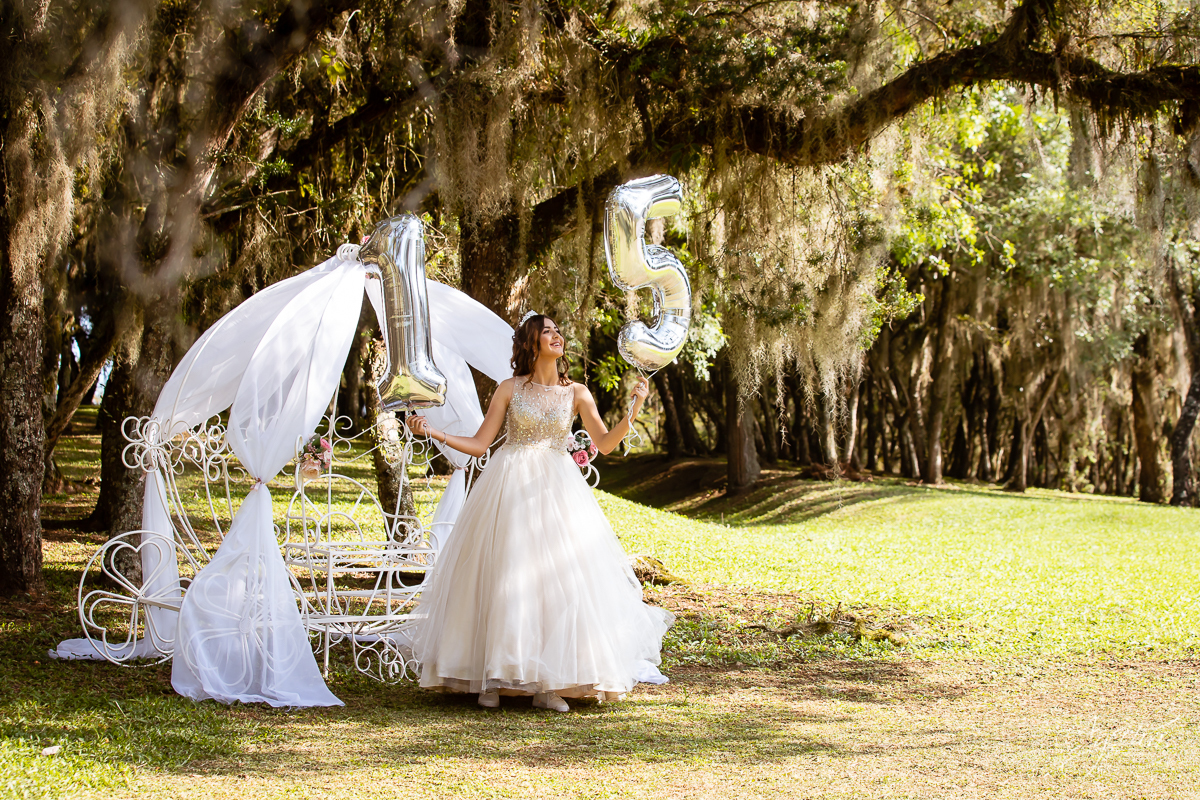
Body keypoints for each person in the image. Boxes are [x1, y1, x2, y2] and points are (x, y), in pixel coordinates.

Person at [405, 312, 674, 712]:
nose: (556, 336)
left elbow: (604, 443)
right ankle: (492, 677)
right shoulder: (509, 389)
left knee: (557, 579)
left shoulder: (578, 393)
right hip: (509, 484)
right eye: (547, 331)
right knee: (504, 574)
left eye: (558, 331)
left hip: (558, 486)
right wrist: (434, 433)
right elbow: (481, 443)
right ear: (531, 343)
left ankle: (550, 683)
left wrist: (634, 406)